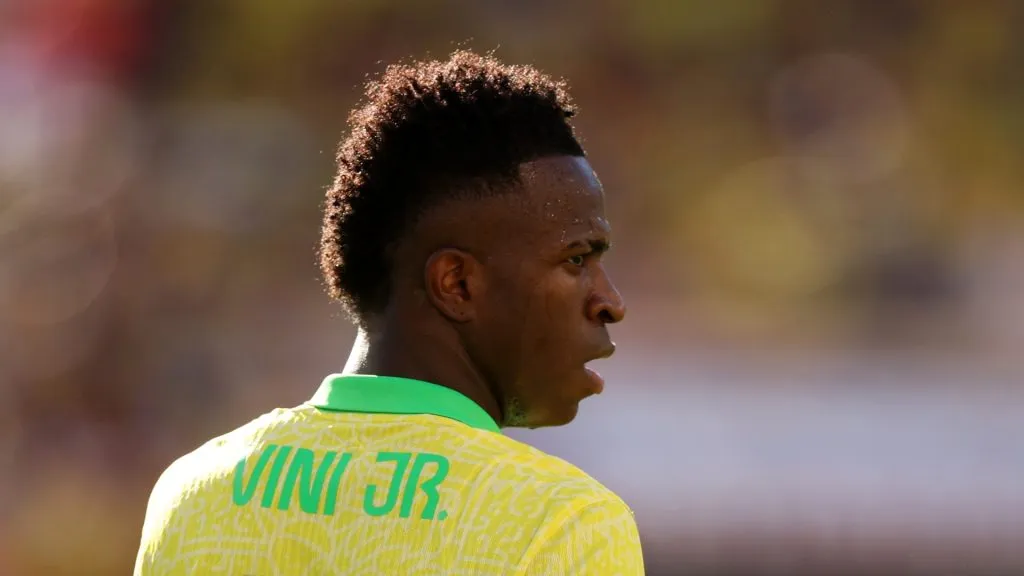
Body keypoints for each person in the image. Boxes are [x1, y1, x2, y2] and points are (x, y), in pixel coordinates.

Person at [134, 49, 643, 575]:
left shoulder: (194, 492)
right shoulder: (565, 524)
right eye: (577, 258)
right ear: (457, 284)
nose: (611, 302)